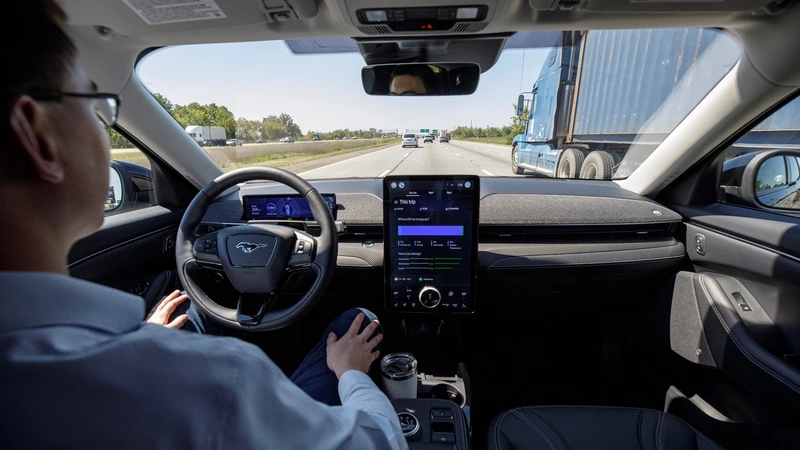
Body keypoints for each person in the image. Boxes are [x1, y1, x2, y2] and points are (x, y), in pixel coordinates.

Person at [0, 1, 406, 449]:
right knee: (356, 320)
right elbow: (383, 442)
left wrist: (146, 338)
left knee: (196, 314)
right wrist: (350, 375)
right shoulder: (215, 385)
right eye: (99, 109)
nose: (104, 129)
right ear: (37, 136)